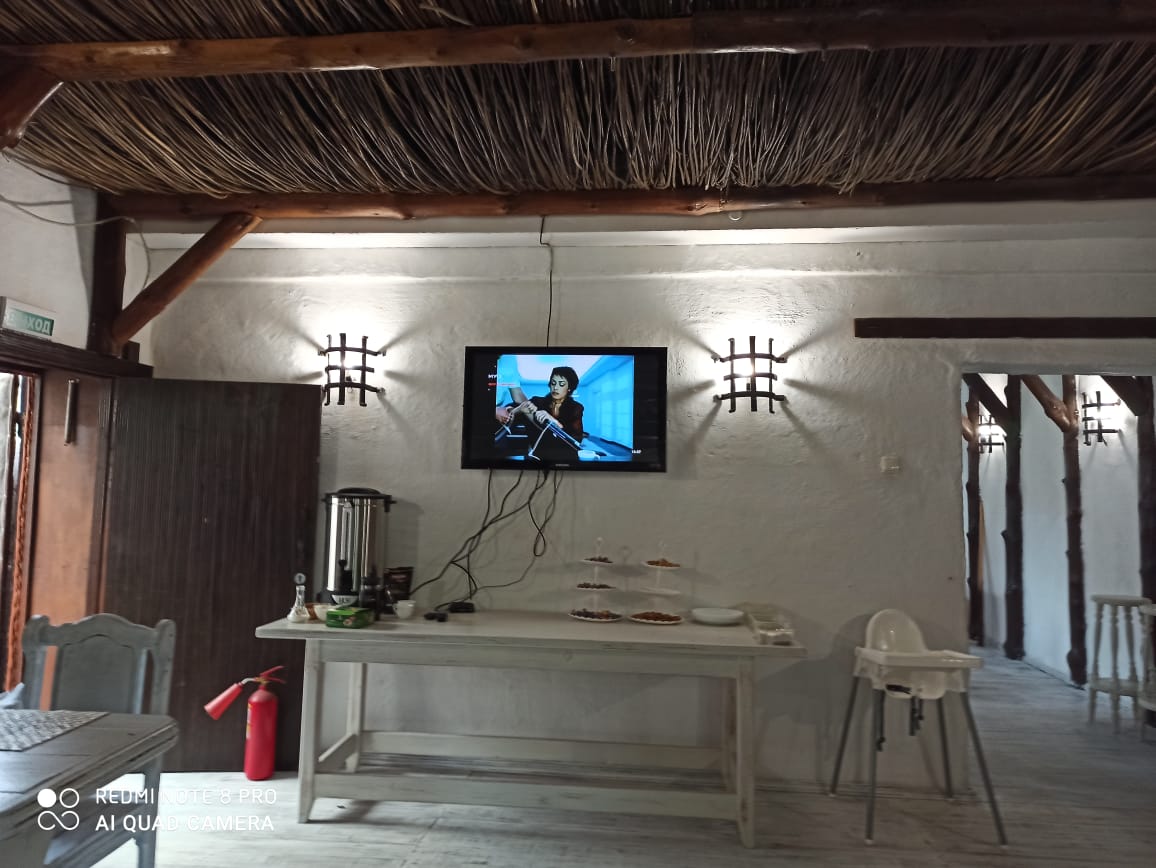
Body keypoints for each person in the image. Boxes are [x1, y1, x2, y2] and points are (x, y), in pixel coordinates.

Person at [514, 365, 585, 445]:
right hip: (536, 451)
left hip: (561, 451)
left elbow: (577, 439)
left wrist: (555, 423)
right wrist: (518, 410)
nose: (555, 388)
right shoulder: (536, 401)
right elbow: (510, 413)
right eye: (553, 383)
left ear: (569, 388)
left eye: (561, 384)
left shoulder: (576, 408)